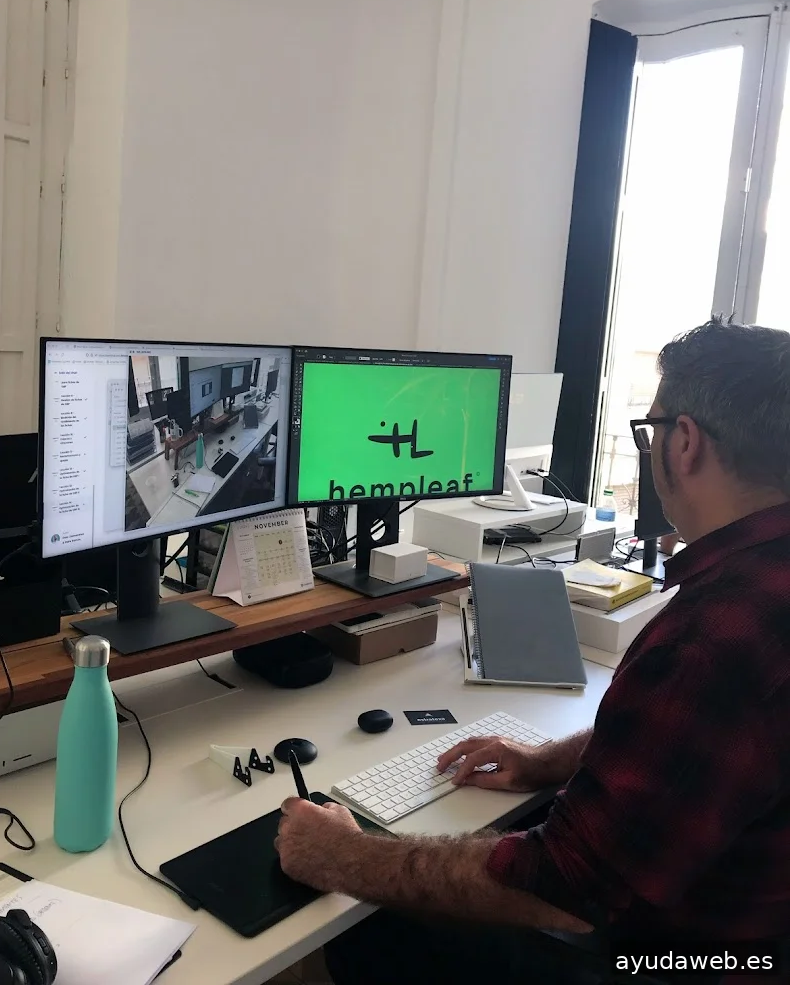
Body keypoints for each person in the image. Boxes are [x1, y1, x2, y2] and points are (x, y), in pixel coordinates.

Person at [276, 318, 790, 984]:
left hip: (683, 960)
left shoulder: (719, 631)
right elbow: (694, 741)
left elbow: (566, 886)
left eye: (652, 430)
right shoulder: (754, 592)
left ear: (685, 442)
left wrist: (342, 855)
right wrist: (550, 760)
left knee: (373, 928)